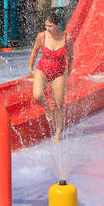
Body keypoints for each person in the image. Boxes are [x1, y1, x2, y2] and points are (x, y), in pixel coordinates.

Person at [30, 13, 73, 141]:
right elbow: (35, 51)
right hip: (42, 69)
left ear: (58, 25)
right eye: (46, 25)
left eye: (50, 26)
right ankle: (47, 109)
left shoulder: (67, 38)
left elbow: (71, 56)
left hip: (59, 72)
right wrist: (30, 67)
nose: (47, 28)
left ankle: (58, 133)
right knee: (37, 95)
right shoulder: (42, 36)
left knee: (59, 104)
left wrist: (69, 70)